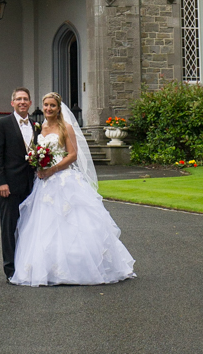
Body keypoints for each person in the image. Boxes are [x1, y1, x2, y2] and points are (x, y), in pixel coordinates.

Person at [10, 91, 136, 287]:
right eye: (46, 105)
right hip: (43, 183)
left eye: (52, 105)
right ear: (42, 107)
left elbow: (73, 155)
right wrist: (38, 164)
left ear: (59, 108)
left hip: (63, 179)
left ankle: (80, 267)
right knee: (44, 225)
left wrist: (52, 169)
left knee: (72, 223)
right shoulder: (39, 128)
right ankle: (50, 268)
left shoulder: (65, 127)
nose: (49, 109)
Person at [0, 87, 39, 280]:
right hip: (9, 187)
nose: (22, 102)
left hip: (32, 186)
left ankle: (26, 266)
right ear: (12, 103)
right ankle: (10, 270)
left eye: (25, 99)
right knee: (9, 229)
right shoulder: (3, 124)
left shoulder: (36, 125)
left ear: (30, 103)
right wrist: (1, 183)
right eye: (18, 99)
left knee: (29, 228)